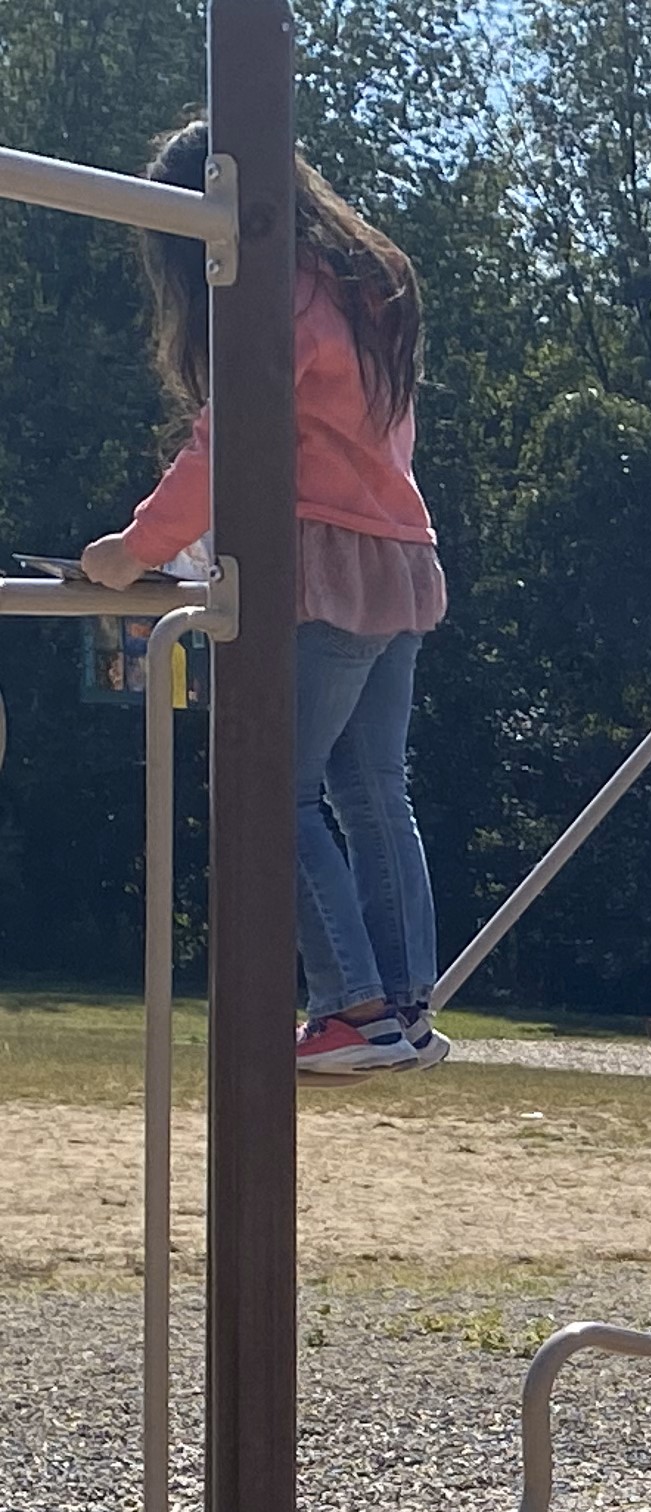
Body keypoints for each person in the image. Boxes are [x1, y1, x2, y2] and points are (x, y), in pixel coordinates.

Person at [84, 125, 448, 1080]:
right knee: (375, 792)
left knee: (271, 789)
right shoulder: (365, 286)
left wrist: (135, 550)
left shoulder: (274, 295)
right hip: (400, 557)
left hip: (324, 567)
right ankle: (405, 1006)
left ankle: (352, 1006)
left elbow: (228, 441)